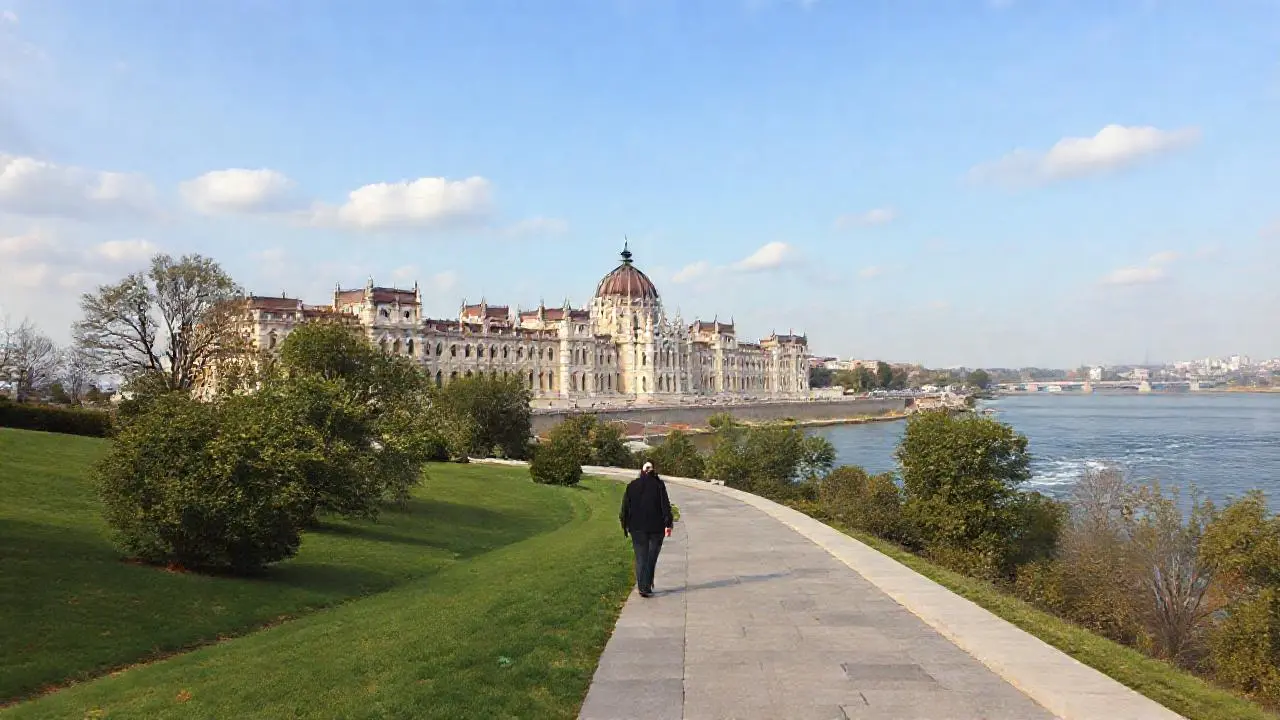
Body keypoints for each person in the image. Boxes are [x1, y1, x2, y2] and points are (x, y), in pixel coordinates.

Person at [619, 461, 674, 598]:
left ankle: (642, 586)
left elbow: (625, 508)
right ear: (654, 471)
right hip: (656, 528)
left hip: (637, 528)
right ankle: (646, 585)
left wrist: (625, 525)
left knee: (640, 557)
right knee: (651, 557)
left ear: (641, 471)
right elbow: (665, 506)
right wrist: (668, 523)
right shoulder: (659, 485)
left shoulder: (632, 486)